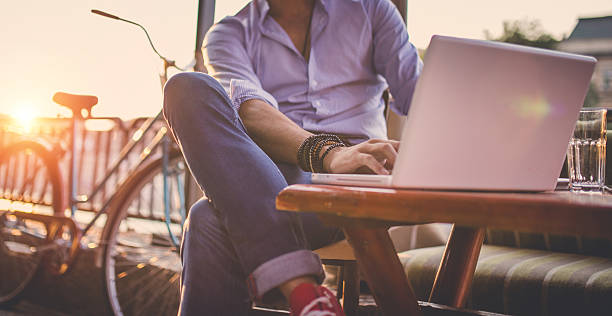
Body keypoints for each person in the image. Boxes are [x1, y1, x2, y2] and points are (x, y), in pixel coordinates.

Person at [163, 0, 422, 314]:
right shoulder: (229, 34)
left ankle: (306, 296)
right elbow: (251, 110)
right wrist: (327, 154)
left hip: (362, 176)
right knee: (186, 88)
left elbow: (420, 94)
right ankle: (304, 292)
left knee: (207, 220)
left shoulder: (371, 10)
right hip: (278, 177)